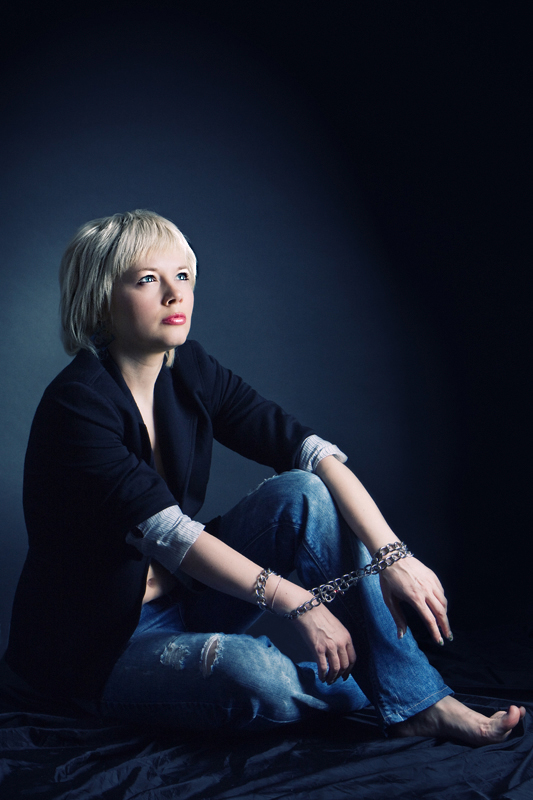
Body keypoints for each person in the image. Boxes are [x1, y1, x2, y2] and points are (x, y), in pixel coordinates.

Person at [3, 210, 524, 744]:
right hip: (101, 647)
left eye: (182, 275)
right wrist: (299, 601)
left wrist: (393, 554)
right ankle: (385, 688)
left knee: (304, 492)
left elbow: (310, 453)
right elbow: (171, 535)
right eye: (147, 280)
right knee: (256, 677)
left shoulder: (189, 369)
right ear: (100, 299)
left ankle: (419, 702)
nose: (175, 294)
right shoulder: (78, 404)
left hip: (187, 598)